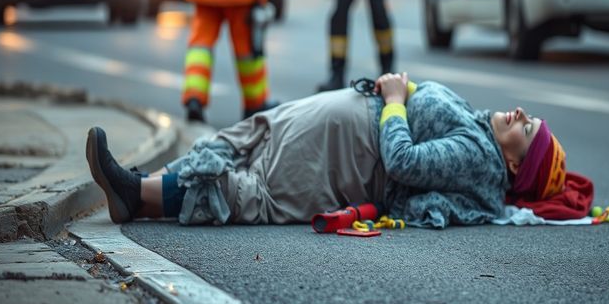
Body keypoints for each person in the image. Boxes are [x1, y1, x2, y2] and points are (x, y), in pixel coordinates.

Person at [86, 73, 572, 229]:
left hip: (349, 150)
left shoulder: (479, 157)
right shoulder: (481, 133)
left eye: (528, 132)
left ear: (513, 165)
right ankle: (140, 181)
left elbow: (404, 162)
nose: (522, 114)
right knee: (248, 136)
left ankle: (139, 195)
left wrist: (398, 100)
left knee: (255, 189)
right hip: (346, 122)